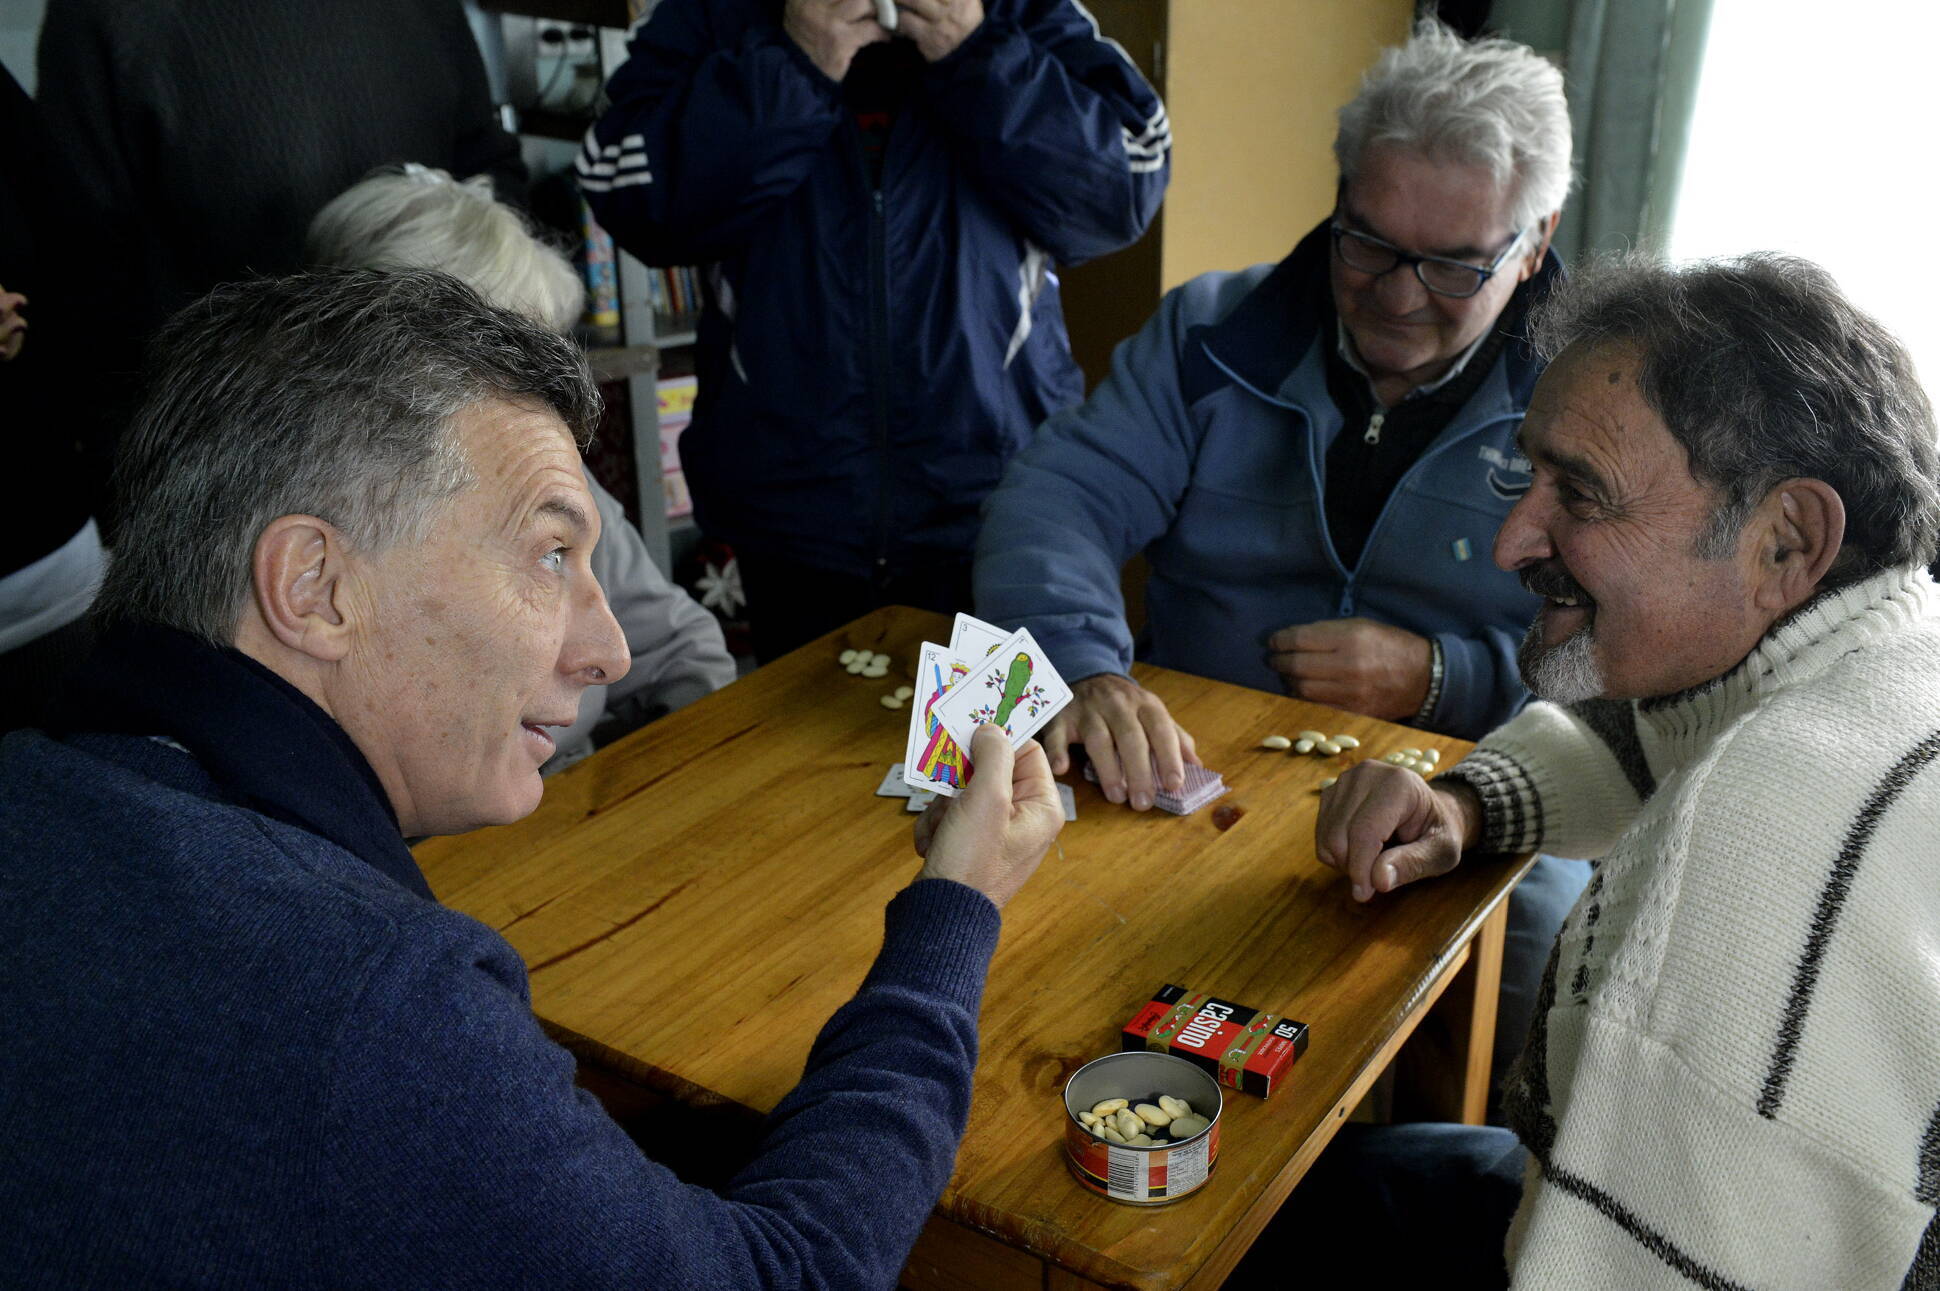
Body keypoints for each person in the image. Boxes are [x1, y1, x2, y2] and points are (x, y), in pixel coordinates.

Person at [0, 268, 1066, 1286]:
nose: (604, 649)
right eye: (551, 553)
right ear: (315, 586)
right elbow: (791, 1271)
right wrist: (953, 909)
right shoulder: (377, 1005)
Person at [1304, 253, 1940, 1288]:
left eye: (1581, 495)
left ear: (1786, 541)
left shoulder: (1753, 840)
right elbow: (1647, 738)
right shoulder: (1883, 650)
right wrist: (1463, 804)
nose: (1510, 543)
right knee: (1356, 1184)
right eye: (1528, 474)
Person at [973, 17, 1579, 1083]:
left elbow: (1611, 668)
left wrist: (1439, 676)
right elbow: (1056, 500)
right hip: (1191, 765)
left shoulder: (1589, 403)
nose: (1395, 294)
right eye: (1368, 242)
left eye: (1449, 268)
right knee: (1039, 986)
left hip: (1475, 780)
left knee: (1539, 1013)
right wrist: (1085, 666)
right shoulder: (1210, 331)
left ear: (1532, 246)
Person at [577, 0, 1170, 662]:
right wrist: (797, 58)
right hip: (792, 510)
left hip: (996, 500)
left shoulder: (1019, 9)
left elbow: (1128, 184)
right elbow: (621, 186)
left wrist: (973, 48)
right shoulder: (720, 13)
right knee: (808, 757)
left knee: (999, 762)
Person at [306, 165, 737, 768]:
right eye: (502, 370)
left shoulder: (558, 487)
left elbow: (679, 648)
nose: (535, 406)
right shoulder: (343, 524)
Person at [34, 0, 523, 371]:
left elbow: (488, 166)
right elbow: (83, 268)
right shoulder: (110, 19)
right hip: (231, 433)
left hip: (445, 393)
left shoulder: (420, 14)